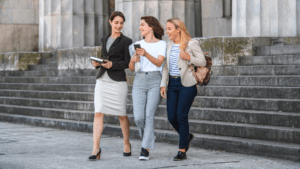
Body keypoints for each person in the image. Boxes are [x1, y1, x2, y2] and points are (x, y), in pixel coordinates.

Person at [160, 17, 206, 161]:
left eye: (169, 29)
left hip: (187, 84)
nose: (167, 31)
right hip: (172, 85)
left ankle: (182, 151)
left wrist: (188, 57)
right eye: (166, 29)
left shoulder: (191, 44)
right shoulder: (168, 45)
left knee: (181, 115)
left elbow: (202, 61)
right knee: (171, 117)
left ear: (178, 29)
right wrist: (163, 84)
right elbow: (166, 67)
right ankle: (186, 136)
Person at [89, 11, 132, 160]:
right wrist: (97, 62)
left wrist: (113, 64)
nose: (119, 26)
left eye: (121, 23)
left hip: (118, 80)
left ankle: (126, 143)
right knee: (98, 112)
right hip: (102, 79)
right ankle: (96, 149)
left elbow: (128, 62)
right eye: (116, 22)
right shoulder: (104, 39)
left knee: (121, 114)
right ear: (110, 22)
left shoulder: (127, 41)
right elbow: (103, 57)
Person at [128, 16, 166, 161]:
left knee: (149, 115)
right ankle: (148, 137)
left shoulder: (161, 44)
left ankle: (145, 149)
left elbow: (159, 62)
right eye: (140, 25)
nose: (140, 27)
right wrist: (133, 60)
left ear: (151, 27)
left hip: (155, 80)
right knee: (139, 117)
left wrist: (145, 54)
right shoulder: (136, 44)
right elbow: (131, 68)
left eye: (142, 25)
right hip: (139, 80)